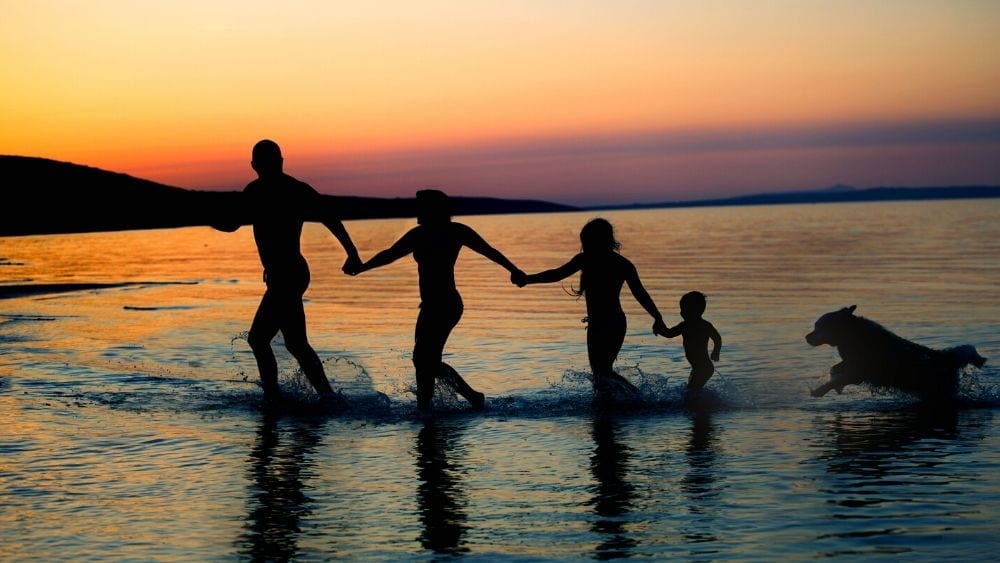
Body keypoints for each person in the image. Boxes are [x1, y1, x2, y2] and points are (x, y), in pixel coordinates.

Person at [347, 188, 524, 413]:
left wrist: (514, 271)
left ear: (433, 209)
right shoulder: (418, 234)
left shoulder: (456, 231)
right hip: (429, 306)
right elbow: (390, 254)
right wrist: (362, 268)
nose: (416, 210)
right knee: (422, 359)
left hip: (447, 304)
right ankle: (432, 405)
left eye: (420, 206)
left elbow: (489, 251)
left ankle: (460, 399)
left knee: (425, 359)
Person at [213, 139, 361, 404]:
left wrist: (352, 253)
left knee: (259, 339)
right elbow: (234, 224)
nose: (268, 167)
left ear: (277, 163)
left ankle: (276, 395)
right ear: (255, 166)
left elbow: (329, 217)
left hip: (289, 275)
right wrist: (212, 218)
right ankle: (324, 396)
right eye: (265, 163)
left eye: (271, 162)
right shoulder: (257, 191)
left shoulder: (293, 189)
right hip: (284, 275)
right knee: (294, 343)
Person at [515, 218, 667, 401]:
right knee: (601, 373)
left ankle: (637, 400)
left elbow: (640, 293)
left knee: (601, 373)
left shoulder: (615, 263)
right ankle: (617, 407)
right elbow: (556, 274)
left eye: (588, 241)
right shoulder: (592, 261)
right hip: (600, 324)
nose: (585, 246)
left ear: (601, 240)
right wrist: (528, 279)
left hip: (612, 323)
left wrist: (657, 317)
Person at [657, 290, 721, 395]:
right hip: (698, 368)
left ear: (696, 310)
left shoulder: (703, 325)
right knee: (692, 390)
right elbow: (669, 333)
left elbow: (717, 338)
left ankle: (700, 406)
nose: (681, 312)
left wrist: (716, 352)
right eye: (681, 309)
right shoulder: (685, 325)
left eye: (684, 309)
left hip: (704, 367)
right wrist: (659, 328)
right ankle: (702, 405)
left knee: (691, 392)